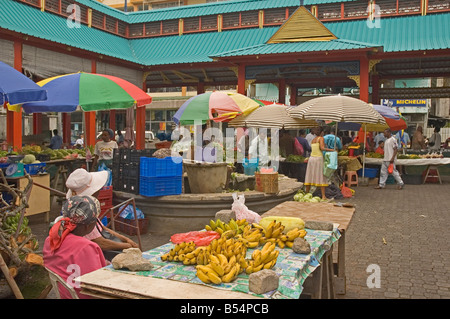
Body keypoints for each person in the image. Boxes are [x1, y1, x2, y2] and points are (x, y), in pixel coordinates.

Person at [65, 168, 139, 260]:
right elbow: (99, 242)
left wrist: (125, 239)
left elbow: (101, 227)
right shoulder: (83, 213)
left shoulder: (88, 208)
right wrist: (126, 245)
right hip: (91, 255)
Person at [43, 195, 107, 299]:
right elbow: (97, 284)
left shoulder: (50, 240)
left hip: (63, 294)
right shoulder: (87, 247)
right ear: (89, 225)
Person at [304, 126, 335, 200]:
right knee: (321, 176)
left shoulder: (313, 140)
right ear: (322, 132)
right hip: (318, 159)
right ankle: (323, 196)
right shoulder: (321, 138)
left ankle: (307, 194)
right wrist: (332, 150)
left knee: (310, 175)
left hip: (311, 159)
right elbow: (322, 148)